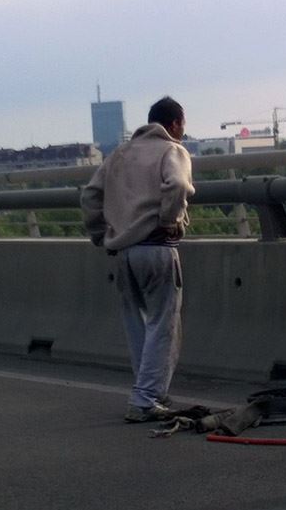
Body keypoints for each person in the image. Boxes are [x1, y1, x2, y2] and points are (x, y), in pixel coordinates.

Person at [81, 96, 195, 423]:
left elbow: (89, 195)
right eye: (182, 126)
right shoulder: (172, 150)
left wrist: (99, 233)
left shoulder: (119, 154)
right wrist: (168, 219)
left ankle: (148, 391)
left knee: (137, 325)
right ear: (174, 124)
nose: (183, 133)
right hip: (158, 248)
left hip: (123, 252)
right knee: (164, 325)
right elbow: (177, 185)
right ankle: (145, 399)